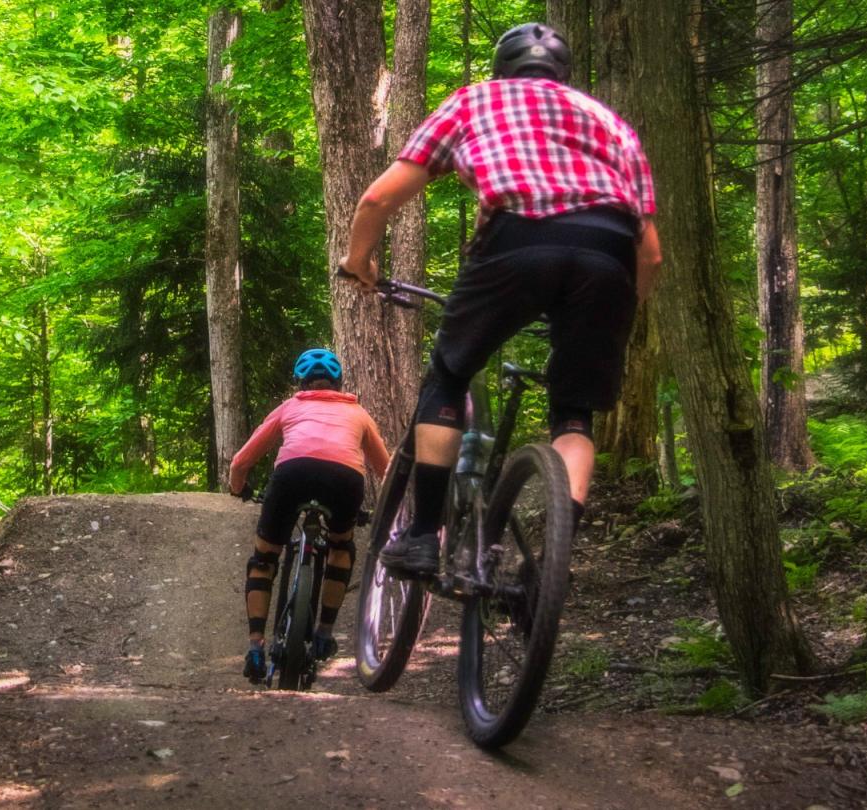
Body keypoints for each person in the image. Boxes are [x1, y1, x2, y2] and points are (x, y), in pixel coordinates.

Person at [338, 22, 662, 577]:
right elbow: (651, 255)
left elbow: (377, 198)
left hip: (518, 239)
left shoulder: (473, 100)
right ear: (563, 75)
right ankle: (551, 565)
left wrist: (358, 261)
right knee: (574, 417)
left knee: (448, 375)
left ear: (501, 68)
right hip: (610, 253)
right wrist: (621, 309)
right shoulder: (610, 122)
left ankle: (422, 537)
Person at [228, 348, 390, 682]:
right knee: (341, 547)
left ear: (300, 383)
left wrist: (238, 488)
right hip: (345, 482)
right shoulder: (358, 413)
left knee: (264, 556)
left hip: (292, 475)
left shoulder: (291, 407)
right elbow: (385, 469)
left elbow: (240, 463)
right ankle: (324, 633)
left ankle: (256, 647)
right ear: (338, 382)